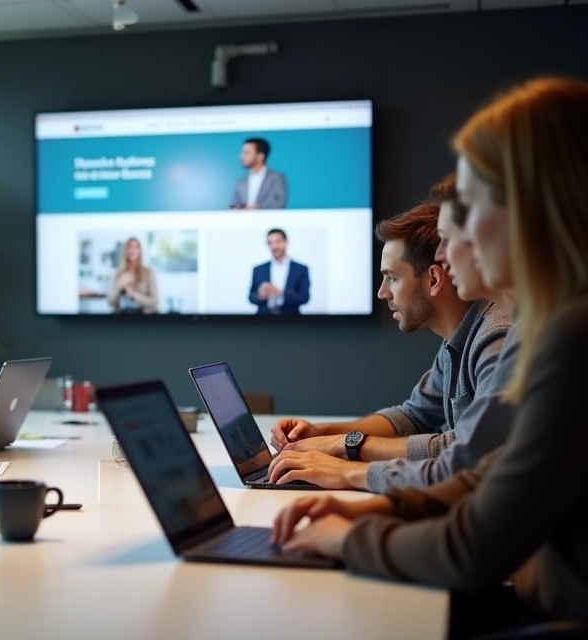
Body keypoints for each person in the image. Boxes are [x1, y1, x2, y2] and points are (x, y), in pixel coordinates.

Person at [272, 77, 588, 631]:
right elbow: (490, 472)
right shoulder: (547, 323)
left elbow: (473, 545)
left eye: (471, 205)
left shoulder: (567, 332)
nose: (444, 249)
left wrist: (349, 535)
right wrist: (385, 504)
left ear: (526, 207)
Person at [266, 200, 512, 490]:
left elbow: (467, 449)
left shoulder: (496, 337)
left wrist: (346, 454)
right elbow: (413, 416)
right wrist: (321, 433)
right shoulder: (457, 339)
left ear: (434, 279)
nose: (383, 293)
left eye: (392, 278)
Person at [248, 228, 310, 315]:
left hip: (291, 317)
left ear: (286, 242)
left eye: (278, 241)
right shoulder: (259, 269)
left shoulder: (300, 269)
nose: (274, 246)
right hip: (263, 317)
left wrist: (279, 293)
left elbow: (304, 298)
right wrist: (260, 295)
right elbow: (251, 297)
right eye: (270, 243)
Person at [229, 137, 288, 209]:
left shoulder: (277, 178)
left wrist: (257, 208)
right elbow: (233, 206)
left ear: (260, 156)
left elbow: (279, 202)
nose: (241, 156)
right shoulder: (242, 182)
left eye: (246, 153)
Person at [107, 237, 157, 314]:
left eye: (136, 247)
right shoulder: (118, 274)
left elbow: (154, 301)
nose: (133, 250)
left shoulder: (148, 272)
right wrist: (119, 284)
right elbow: (111, 302)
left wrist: (133, 293)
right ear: (125, 250)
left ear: (140, 250)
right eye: (129, 246)